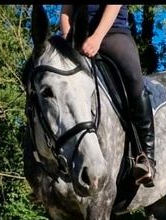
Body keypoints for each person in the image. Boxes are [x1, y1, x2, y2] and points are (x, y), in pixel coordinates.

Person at [60, 4, 155, 187]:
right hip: (76, 39)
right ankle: (46, 168)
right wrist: (66, 38)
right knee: (46, 76)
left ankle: (146, 156)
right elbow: (66, 12)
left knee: (134, 81)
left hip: (112, 33)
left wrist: (96, 38)